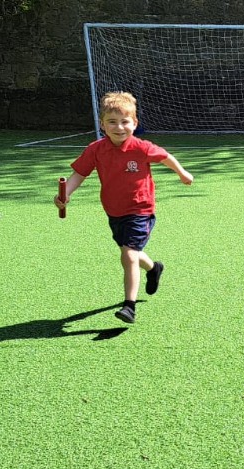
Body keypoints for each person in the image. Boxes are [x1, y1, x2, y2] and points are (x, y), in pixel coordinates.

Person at [54, 91, 194, 324]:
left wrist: (182, 173)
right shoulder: (95, 149)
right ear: (102, 124)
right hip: (114, 210)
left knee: (128, 254)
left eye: (125, 122)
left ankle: (129, 306)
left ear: (135, 123)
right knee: (131, 252)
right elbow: (79, 174)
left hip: (140, 209)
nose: (119, 127)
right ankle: (153, 268)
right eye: (112, 122)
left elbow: (166, 156)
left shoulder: (142, 147)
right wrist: (65, 194)